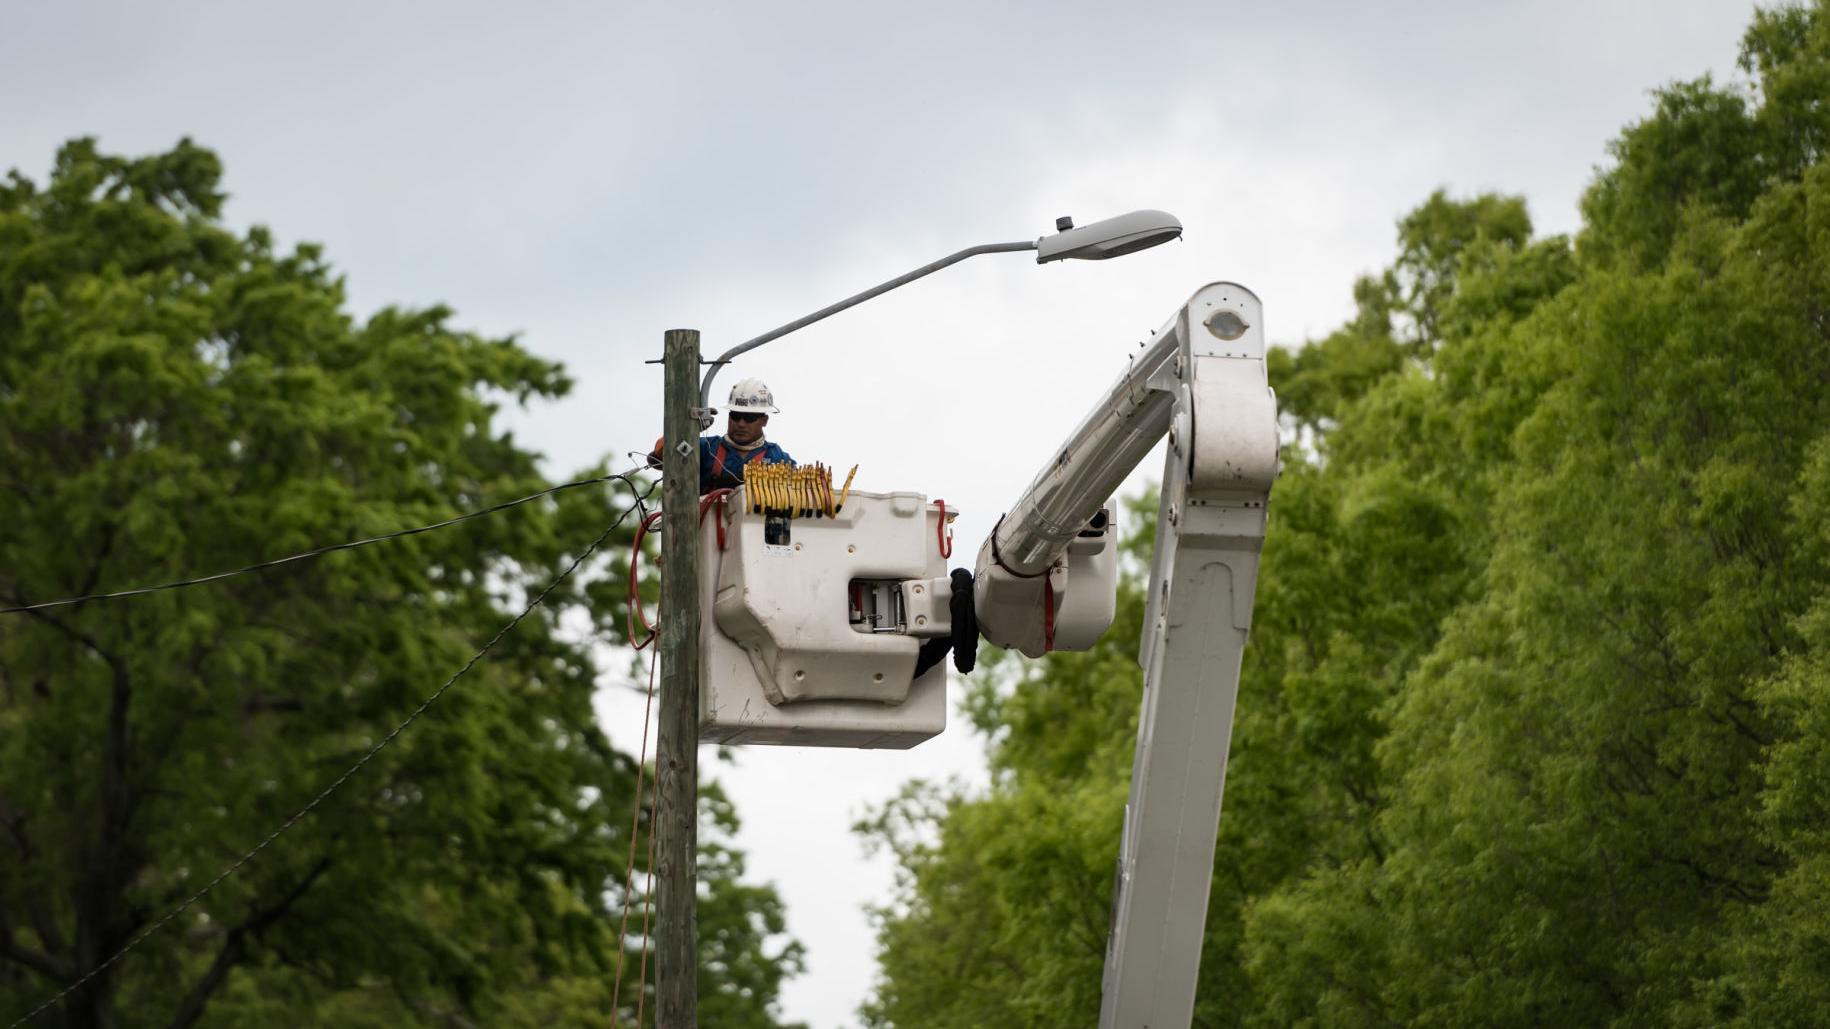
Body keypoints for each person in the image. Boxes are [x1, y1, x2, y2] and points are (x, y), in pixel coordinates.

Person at [650, 377, 795, 494]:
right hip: (708, 521)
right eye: (736, 416)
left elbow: (799, 493)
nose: (741, 424)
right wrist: (687, 430)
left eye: (749, 418)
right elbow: (657, 458)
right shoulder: (707, 448)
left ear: (764, 421)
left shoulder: (777, 457)